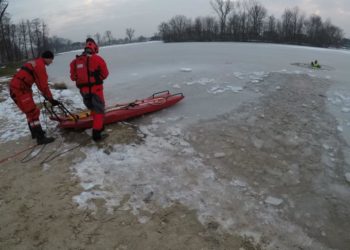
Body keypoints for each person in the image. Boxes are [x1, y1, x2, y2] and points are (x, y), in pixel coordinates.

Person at [9, 50, 59, 145]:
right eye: (51, 60)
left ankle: (35, 132)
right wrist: (51, 99)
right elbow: (43, 86)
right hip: (19, 90)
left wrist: (48, 97)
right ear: (47, 58)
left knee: (30, 112)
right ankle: (40, 138)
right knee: (33, 112)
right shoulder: (40, 66)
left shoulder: (36, 62)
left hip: (19, 88)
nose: (51, 62)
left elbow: (38, 83)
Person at [70, 38, 109, 141]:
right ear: (94, 47)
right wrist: (96, 77)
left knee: (93, 109)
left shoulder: (76, 61)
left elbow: (73, 77)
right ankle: (97, 134)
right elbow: (105, 74)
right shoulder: (98, 59)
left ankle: (100, 126)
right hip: (96, 91)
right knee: (99, 112)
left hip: (84, 92)